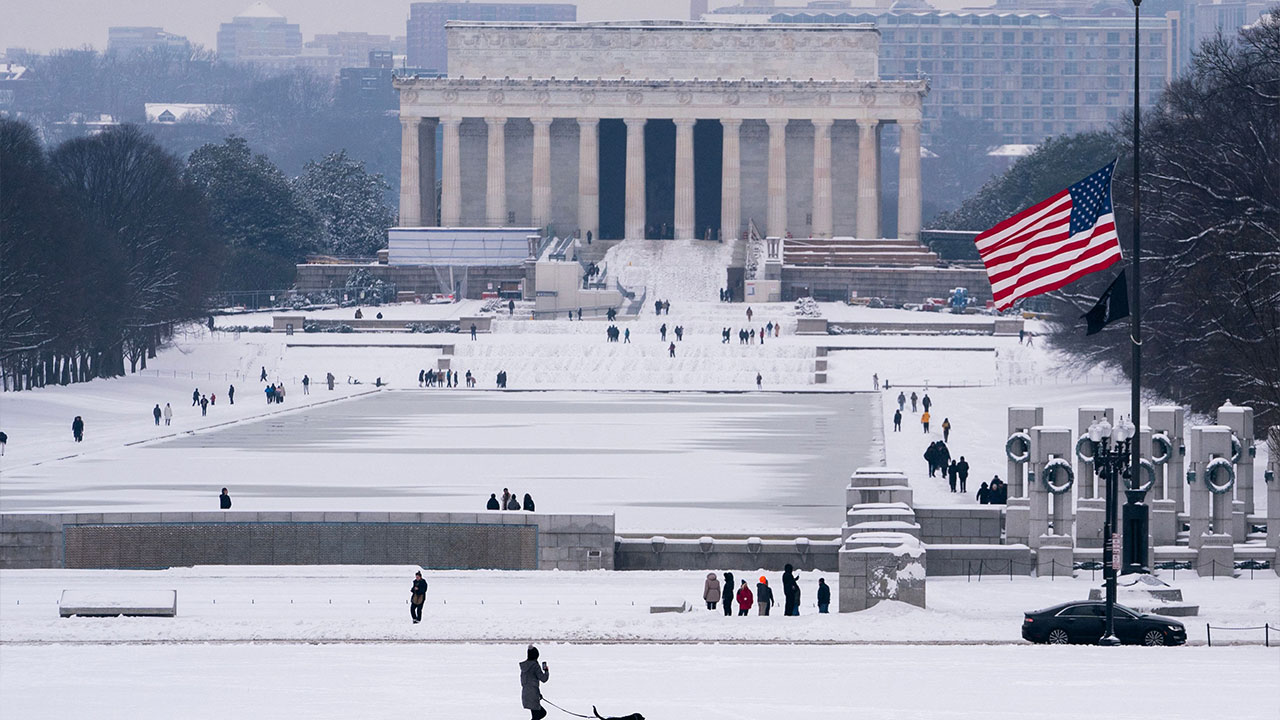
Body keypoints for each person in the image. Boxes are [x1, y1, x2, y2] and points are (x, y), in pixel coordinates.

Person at [519, 646, 551, 720]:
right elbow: (544, 679)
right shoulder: (535, 666)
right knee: (537, 716)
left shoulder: (524, 667)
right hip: (533, 695)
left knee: (542, 713)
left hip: (526, 694)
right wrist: (546, 671)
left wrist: (538, 693)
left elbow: (526, 682)